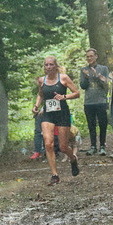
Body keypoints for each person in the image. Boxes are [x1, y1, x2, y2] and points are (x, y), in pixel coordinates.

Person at [33, 56, 81, 185]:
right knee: (48, 143)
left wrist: (64, 96)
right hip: (48, 114)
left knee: (63, 147)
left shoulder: (63, 78)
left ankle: (73, 159)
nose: (48, 67)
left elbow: (77, 93)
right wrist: (36, 106)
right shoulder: (42, 80)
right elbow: (41, 95)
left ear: (56, 66)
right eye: (46, 65)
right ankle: (54, 175)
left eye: (51, 65)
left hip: (62, 114)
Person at [80, 48, 109, 156]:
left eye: (91, 56)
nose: (89, 58)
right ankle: (93, 146)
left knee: (102, 124)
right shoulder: (84, 70)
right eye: (87, 56)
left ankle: (102, 146)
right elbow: (83, 86)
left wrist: (97, 76)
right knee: (91, 125)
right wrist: (86, 77)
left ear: (96, 56)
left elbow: (105, 85)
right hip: (89, 102)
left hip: (101, 100)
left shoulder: (103, 69)